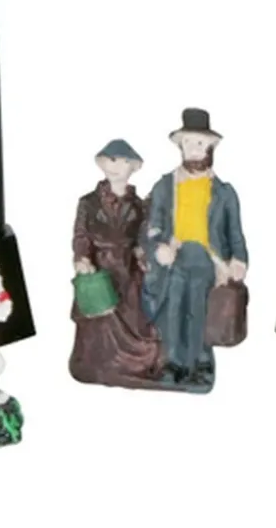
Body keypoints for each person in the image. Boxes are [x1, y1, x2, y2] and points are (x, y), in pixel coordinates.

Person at [142, 109, 248, 387]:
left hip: (207, 259)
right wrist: (158, 247)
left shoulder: (223, 193)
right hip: (176, 257)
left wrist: (238, 259)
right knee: (173, 309)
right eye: (188, 143)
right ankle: (174, 362)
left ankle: (200, 362)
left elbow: (235, 233)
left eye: (200, 143)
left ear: (210, 148)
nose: (193, 149)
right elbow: (152, 225)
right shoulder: (165, 186)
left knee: (200, 310)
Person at [69, 139, 164, 387]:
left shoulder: (139, 206)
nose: (116, 166)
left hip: (128, 269)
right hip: (100, 267)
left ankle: (136, 361)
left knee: (134, 315)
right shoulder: (88, 203)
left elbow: (145, 236)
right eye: (111, 160)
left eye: (123, 161)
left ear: (134, 167)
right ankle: (96, 363)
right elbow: (81, 235)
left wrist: (144, 254)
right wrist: (81, 258)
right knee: (98, 316)